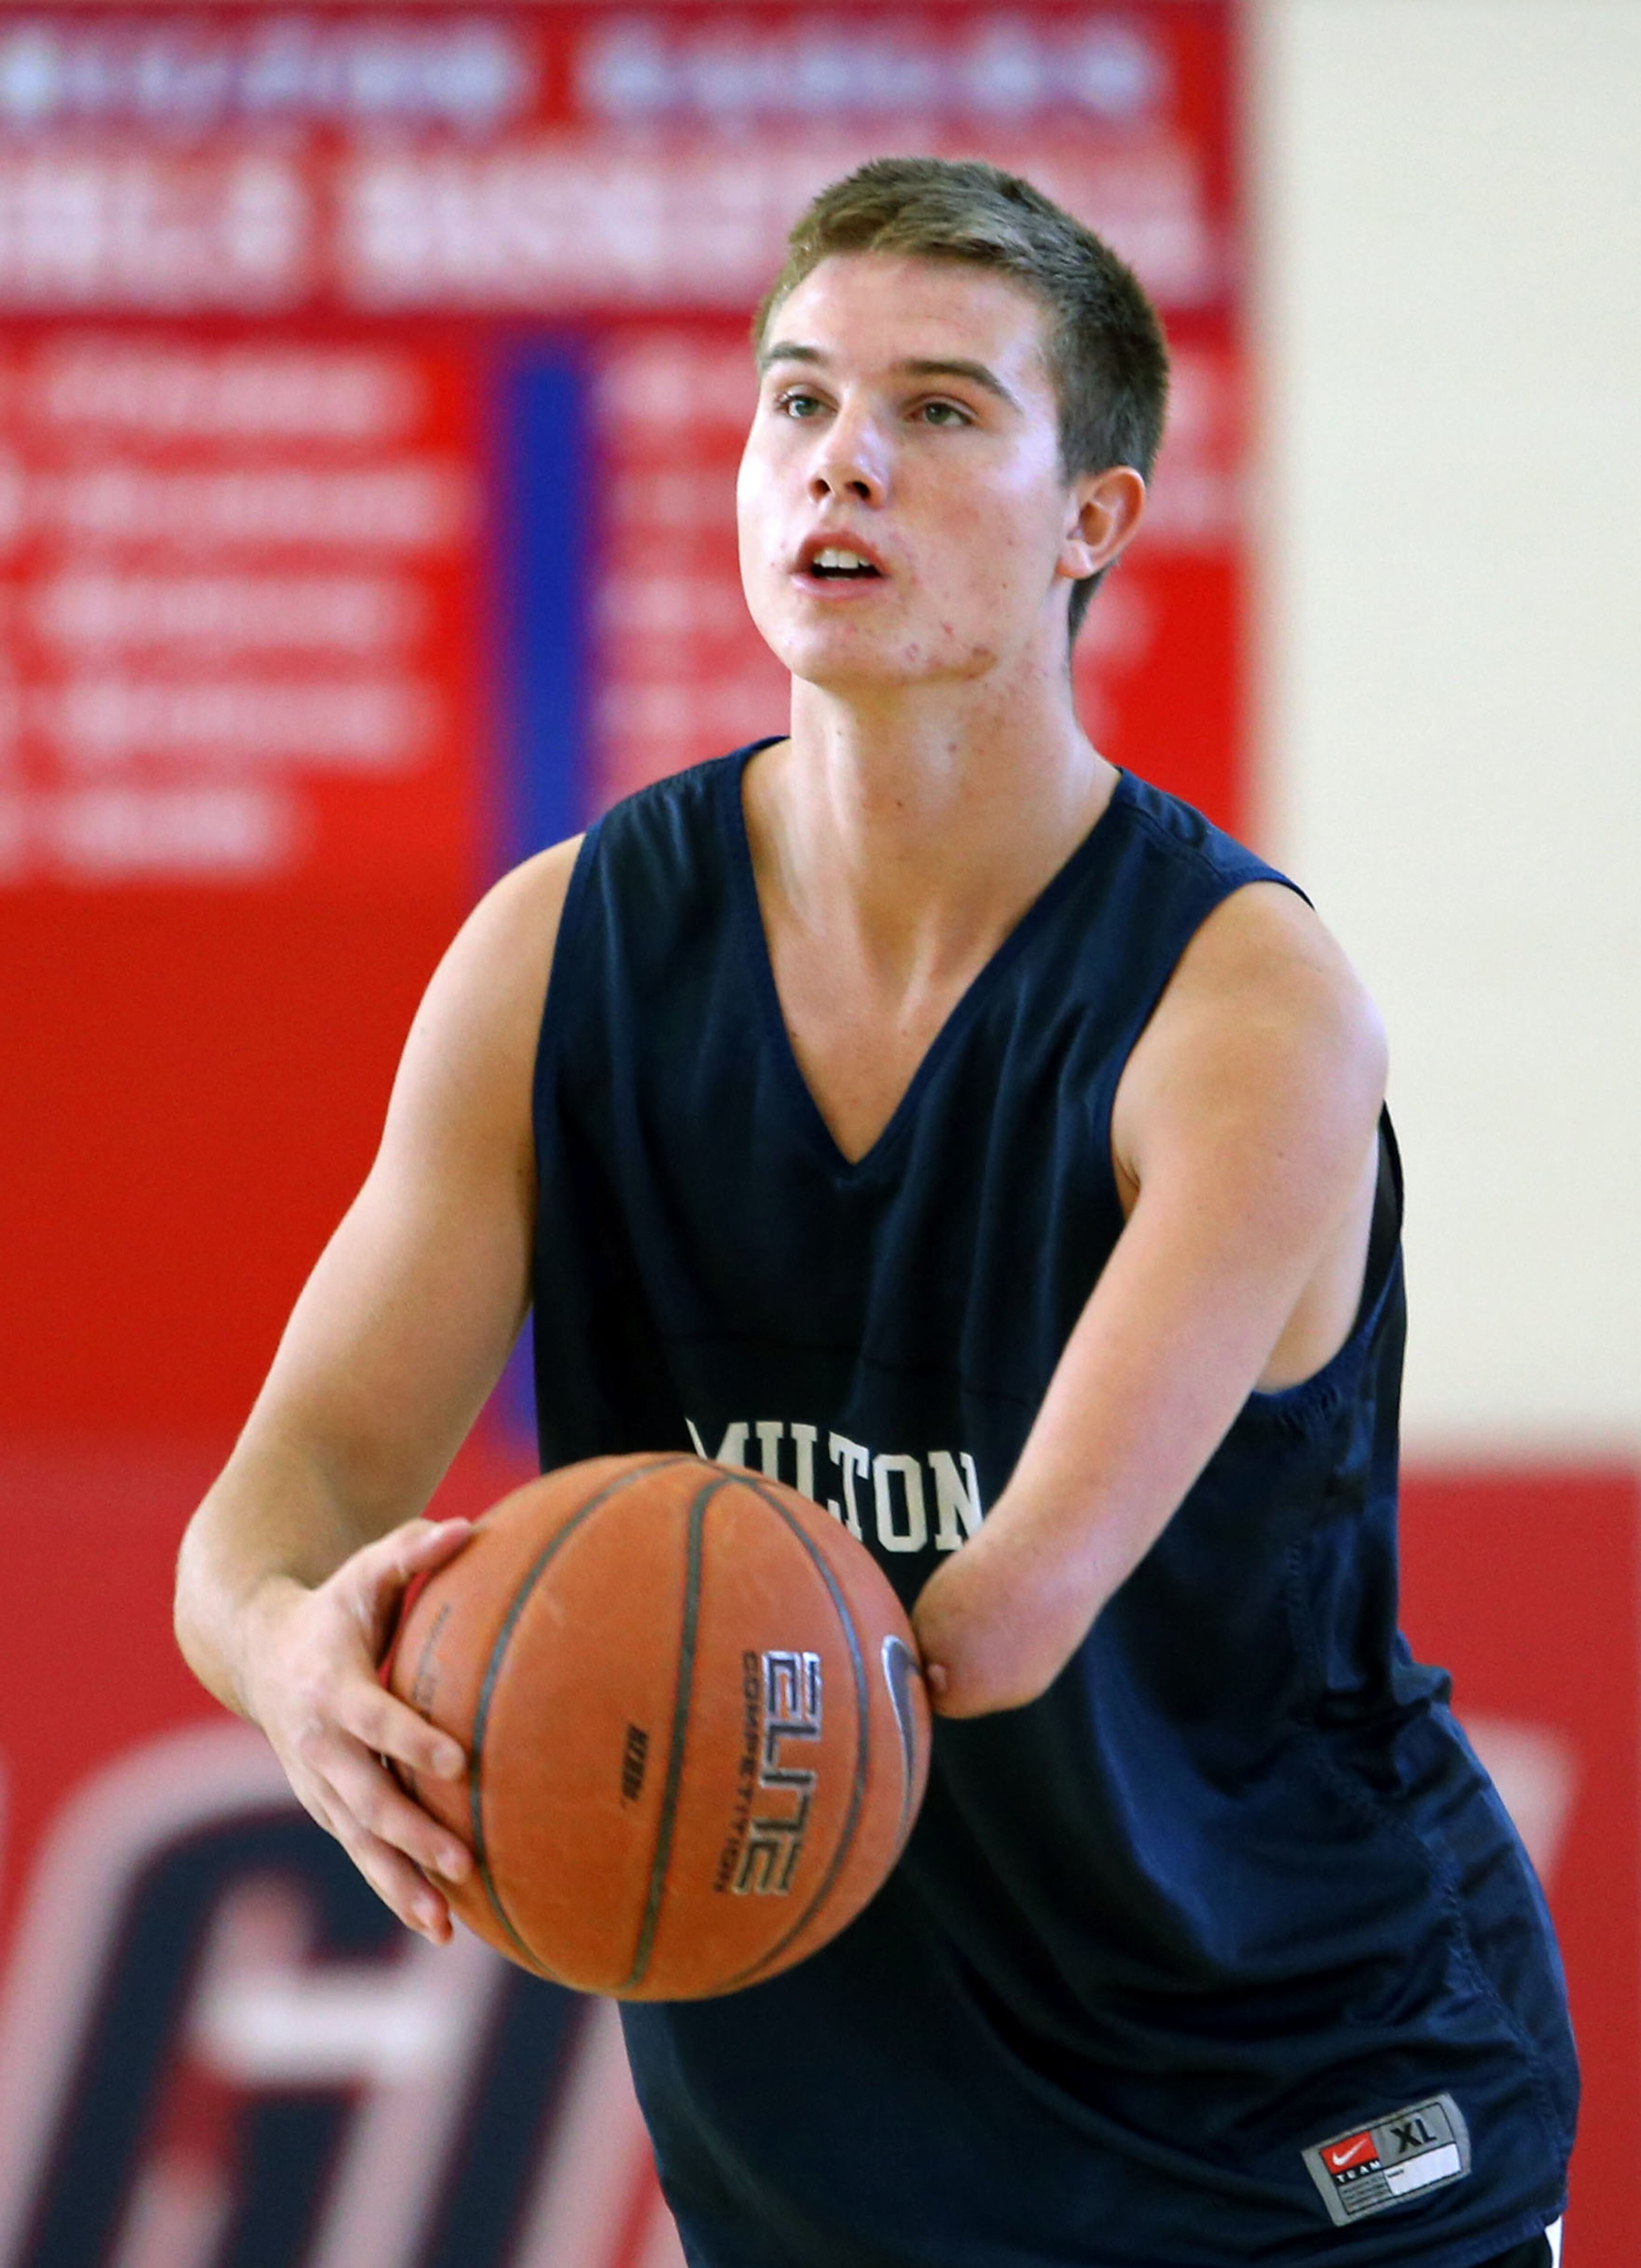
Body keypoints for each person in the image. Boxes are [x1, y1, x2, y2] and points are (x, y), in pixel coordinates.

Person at [176, 159, 1574, 2266]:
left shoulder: (1247, 1013)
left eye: (939, 411)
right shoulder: (562, 954)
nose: (844, 460)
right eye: (798, 399)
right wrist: (304, 1660)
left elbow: (994, 1618)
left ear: (1093, 516)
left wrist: (596, 1689)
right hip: (839, 2167)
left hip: (1305, 2124)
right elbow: (262, 1517)